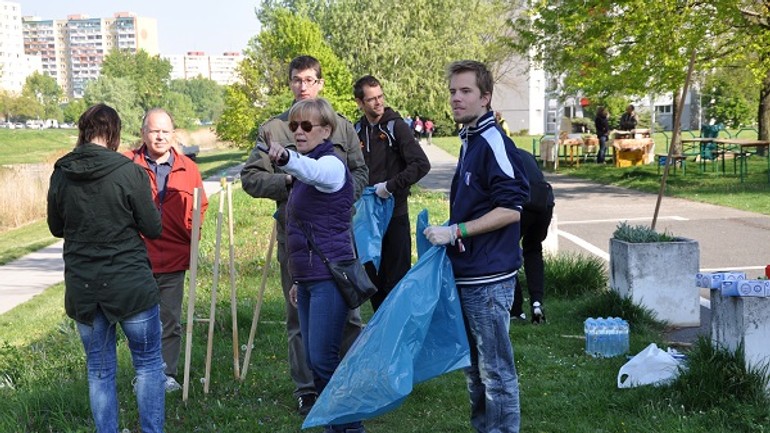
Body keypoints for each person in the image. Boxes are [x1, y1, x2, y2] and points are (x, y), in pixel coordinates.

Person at [240, 55, 368, 416]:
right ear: (290, 84)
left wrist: (340, 199)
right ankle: (308, 390)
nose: (303, 86)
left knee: (349, 315)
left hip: (337, 236)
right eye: (297, 80)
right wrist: (288, 182)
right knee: (299, 317)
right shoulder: (274, 129)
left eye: (310, 80)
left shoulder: (340, 126)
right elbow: (251, 178)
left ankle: (351, 384)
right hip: (295, 240)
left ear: (320, 83)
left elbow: (358, 172)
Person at [424, 60, 529, 433]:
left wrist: (456, 232)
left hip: (489, 279)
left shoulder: (491, 141)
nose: (456, 98)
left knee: (496, 373)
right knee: (476, 372)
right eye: (453, 91)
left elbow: (512, 208)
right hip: (469, 275)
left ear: (485, 97)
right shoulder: (470, 138)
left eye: (465, 91)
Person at [47, 103, 165, 433]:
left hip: (84, 287)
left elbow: (56, 227)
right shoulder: (129, 172)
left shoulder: (62, 172)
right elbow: (153, 228)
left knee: (99, 370)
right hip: (130, 285)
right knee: (149, 365)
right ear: (113, 133)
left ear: (84, 131)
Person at [265, 97, 365, 433]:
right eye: (294, 126)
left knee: (324, 360)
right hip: (308, 281)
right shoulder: (307, 165)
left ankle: (351, 428)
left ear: (326, 130)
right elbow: (302, 229)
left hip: (328, 279)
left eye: (306, 126)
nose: (298, 131)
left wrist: (285, 157)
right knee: (315, 360)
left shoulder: (330, 164)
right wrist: (297, 279)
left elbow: (312, 171)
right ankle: (334, 426)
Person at [125, 108, 208, 393]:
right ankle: (144, 374)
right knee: (138, 323)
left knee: (170, 320)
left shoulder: (189, 168)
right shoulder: (127, 164)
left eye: (165, 131)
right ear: (143, 133)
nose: (159, 136)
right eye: (153, 131)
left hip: (174, 259)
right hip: (137, 259)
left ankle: (167, 373)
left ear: (173, 134)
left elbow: (201, 207)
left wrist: (189, 235)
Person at [353, 75, 431, 312]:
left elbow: (420, 164)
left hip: (395, 214)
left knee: (396, 281)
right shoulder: (356, 130)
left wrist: (390, 186)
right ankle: (380, 336)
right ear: (359, 102)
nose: (378, 103)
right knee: (372, 280)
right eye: (372, 99)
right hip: (367, 219)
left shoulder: (396, 126)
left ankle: (398, 335)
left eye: (380, 97)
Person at [510, 148, 555, 324]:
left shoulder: (498, 153)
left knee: (506, 250)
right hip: (545, 203)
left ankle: (516, 309)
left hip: (522, 205)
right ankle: (537, 304)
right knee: (533, 249)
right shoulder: (525, 153)